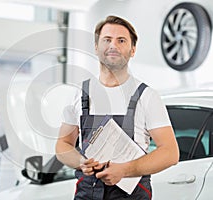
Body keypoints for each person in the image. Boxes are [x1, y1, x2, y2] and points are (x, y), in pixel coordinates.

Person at [55, 15, 179, 199]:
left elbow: (170, 153)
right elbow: (62, 145)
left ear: (133, 50)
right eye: (107, 40)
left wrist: (125, 170)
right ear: (96, 47)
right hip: (87, 194)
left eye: (121, 40)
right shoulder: (79, 93)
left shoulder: (147, 96)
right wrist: (81, 161)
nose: (113, 45)